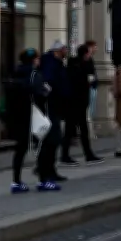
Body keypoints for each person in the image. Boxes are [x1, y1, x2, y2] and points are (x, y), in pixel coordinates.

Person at [5, 48, 52, 193]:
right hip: (33, 115)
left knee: (20, 149)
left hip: (17, 116)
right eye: (37, 58)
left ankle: (16, 181)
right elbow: (40, 94)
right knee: (43, 146)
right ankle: (43, 180)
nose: (38, 61)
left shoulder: (15, 73)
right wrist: (46, 91)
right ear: (34, 60)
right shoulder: (34, 74)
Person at [60, 44, 104, 165]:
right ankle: (71, 155)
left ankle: (84, 154)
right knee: (73, 129)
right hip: (75, 101)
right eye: (89, 53)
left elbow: (93, 78)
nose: (90, 55)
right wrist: (89, 79)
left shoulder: (78, 63)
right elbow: (85, 79)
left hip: (76, 101)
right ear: (85, 54)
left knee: (75, 129)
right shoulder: (78, 65)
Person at [38, 41, 69, 182]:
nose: (66, 51)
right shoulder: (51, 64)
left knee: (53, 140)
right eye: (64, 49)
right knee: (51, 140)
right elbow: (48, 83)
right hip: (50, 107)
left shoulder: (56, 63)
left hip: (55, 106)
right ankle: (45, 171)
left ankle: (49, 170)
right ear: (58, 50)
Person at [84, 40, 99, 137]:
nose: (96, 48)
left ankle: (90, 131)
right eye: (95, 46)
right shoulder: (86, 59)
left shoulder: (90, 59)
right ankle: (88, 132)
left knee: (91, 111)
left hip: (92, 87)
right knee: (88, 111)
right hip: (89, 87)